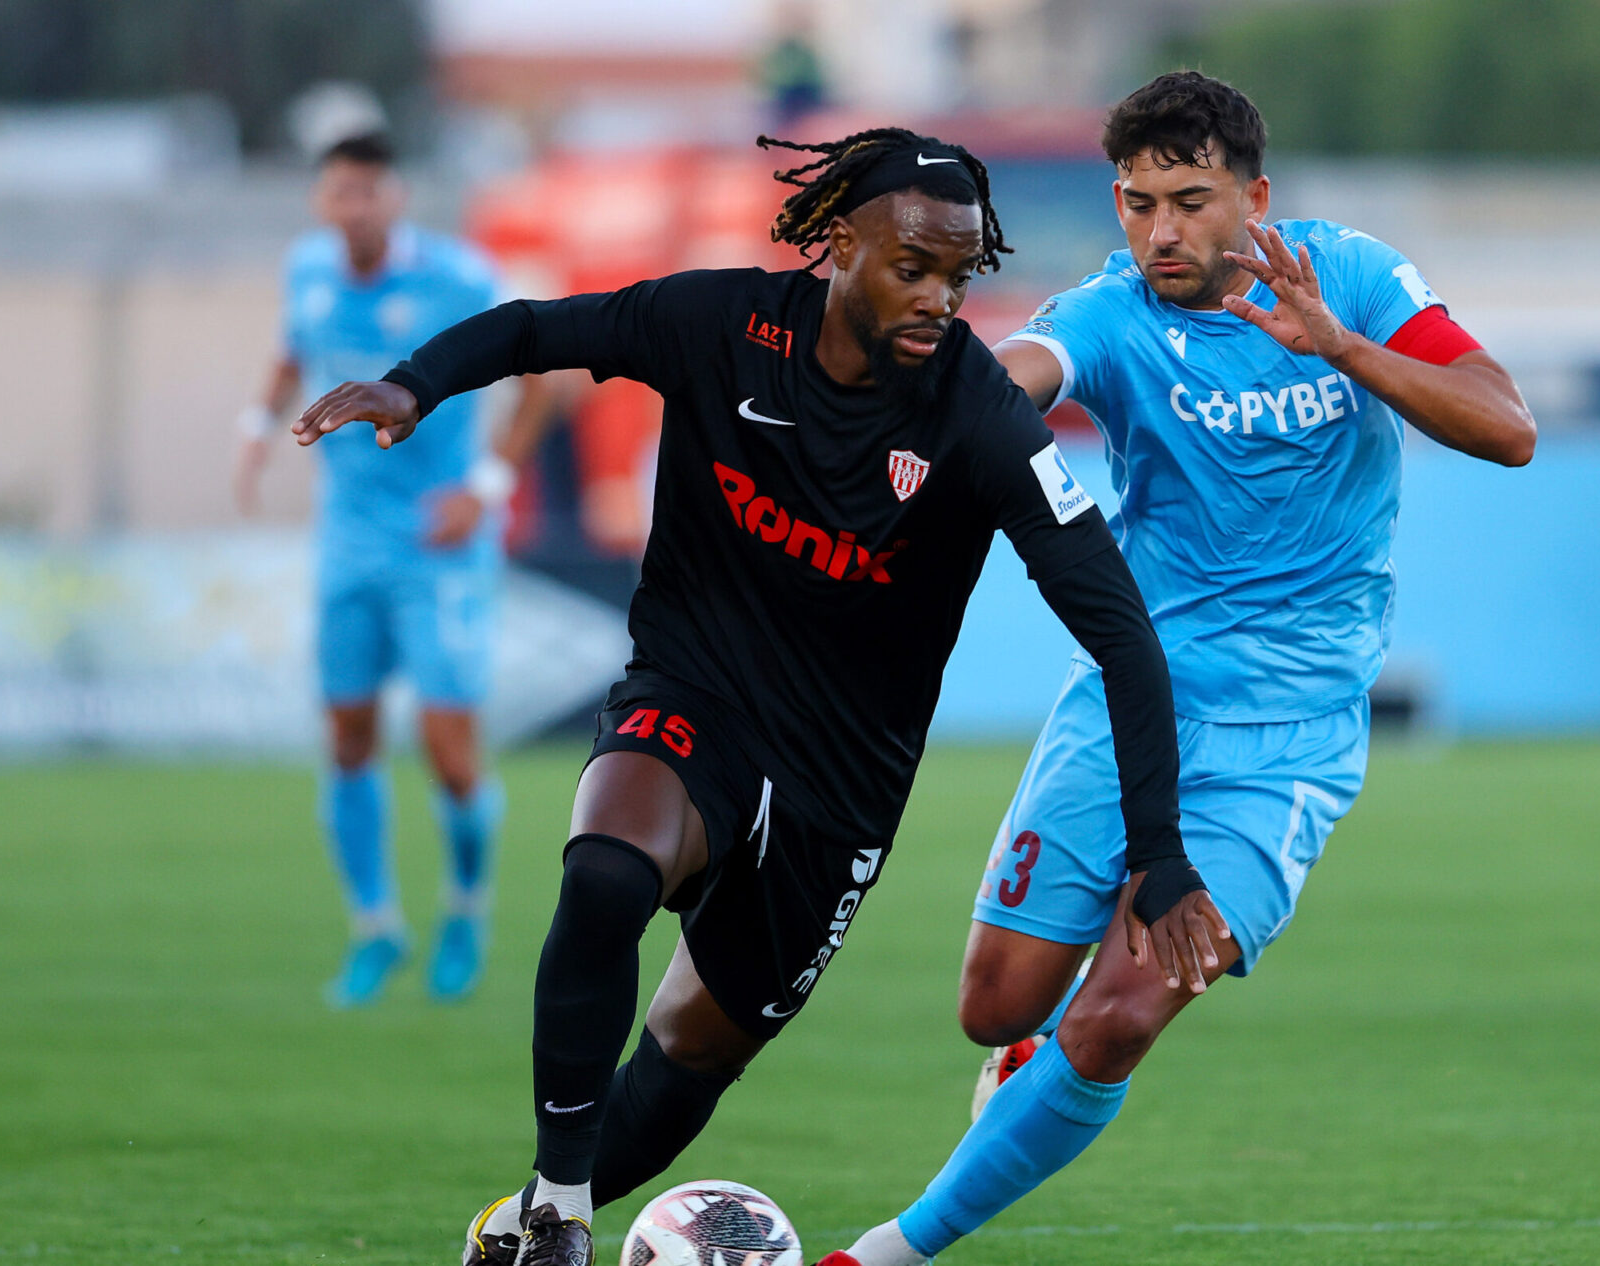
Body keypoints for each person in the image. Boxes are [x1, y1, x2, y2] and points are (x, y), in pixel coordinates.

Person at [289, 126, 1227, 1266]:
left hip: (842, 781)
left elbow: (1122, 633)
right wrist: (414, 384)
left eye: (957, 274)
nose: (939, 299)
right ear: (838, 245)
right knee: (605, 870)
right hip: (696, 696)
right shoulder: (721, 324)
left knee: (693, 1048)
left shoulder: (980, 416)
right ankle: (562, 1213)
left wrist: (1158, 851)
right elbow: (538, 328)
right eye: (913, 267)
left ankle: (532, 1213)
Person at [822, 72, 1537, 1266]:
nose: (1161, 232)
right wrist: (925, 414)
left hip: (1286, 742)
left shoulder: (1351, 278)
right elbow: (1023, 373)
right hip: (1130, 706)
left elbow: (1505, 427)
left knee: (1116, 1017)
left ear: (1253, 199)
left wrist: (1340, 347)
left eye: (1190, 202)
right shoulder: (1112, 315)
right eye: (1138, 203)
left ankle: (882, 1253)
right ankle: (1025, 1057)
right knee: (995, 1007)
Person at [234, 132, 553, 1007]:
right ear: (321, 201)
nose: (356, 207)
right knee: (347, 737)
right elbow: (290, 354)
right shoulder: (307, 270)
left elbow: (542, 383)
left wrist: (485, 490)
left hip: (437, 544)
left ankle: (466, 909)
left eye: (369, 190)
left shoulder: (458, 278)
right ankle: (374, 926)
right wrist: (255, 430)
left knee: (450, 753)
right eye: (341, 191)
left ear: (396, 196)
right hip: (348, 542)